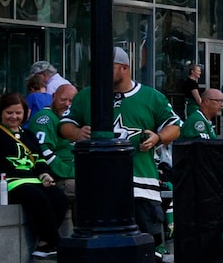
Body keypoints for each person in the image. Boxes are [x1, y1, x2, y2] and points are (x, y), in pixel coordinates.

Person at [61, 45, 180, 248]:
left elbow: (175, 126)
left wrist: (157, 138)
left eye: (106, 67)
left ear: (124, 68)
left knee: (146, 245)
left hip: (141, 183)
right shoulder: (87, 95)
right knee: (98, 244)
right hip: (97, 183)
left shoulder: (151, 97)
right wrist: (78, 133)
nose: (98, 72)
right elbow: (65, 124)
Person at [0, 90, 66, 255]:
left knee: (59, 197)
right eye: (9, 112)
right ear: (1, 113)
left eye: (18, 113)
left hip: (30, 180)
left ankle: (45, 244)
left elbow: (39, 160)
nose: (14, 117)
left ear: (25, 114)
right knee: (36, 196)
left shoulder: (29, 135)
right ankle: (55, 242)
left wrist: (44, 174)